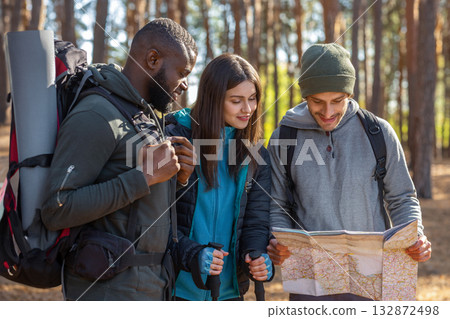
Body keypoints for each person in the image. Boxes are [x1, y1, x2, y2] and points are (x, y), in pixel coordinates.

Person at [41, 18, 198, 300]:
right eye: (183, 72)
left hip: (150, 288)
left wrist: (179, 179)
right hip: (109, 293)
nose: (186, 84)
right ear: (153, 59)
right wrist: (144, 177)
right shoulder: (97, 114)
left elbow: (139, 209)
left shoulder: (144, 115)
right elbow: (57, 208)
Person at [267, 43, 432, 301]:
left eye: (337, 101)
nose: (328, 112)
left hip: (371, 278)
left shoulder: (378, 133)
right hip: (311, 283)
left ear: (349, 93)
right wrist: (278, 240)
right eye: (317, 102)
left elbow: (402, 198)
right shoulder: (284, 138)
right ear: (304, 96)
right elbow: (277, 204)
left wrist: (415, 235)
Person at [166, 53, 273, 301]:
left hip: (229, 294)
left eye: (253, 99)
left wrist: (256, 256)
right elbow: (159, 220)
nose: (248, 109)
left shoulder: (256, 153)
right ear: (214, 99)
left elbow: (256, 222)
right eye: (236, 100)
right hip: (175, 290)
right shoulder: (175, 138)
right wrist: (192, 254)